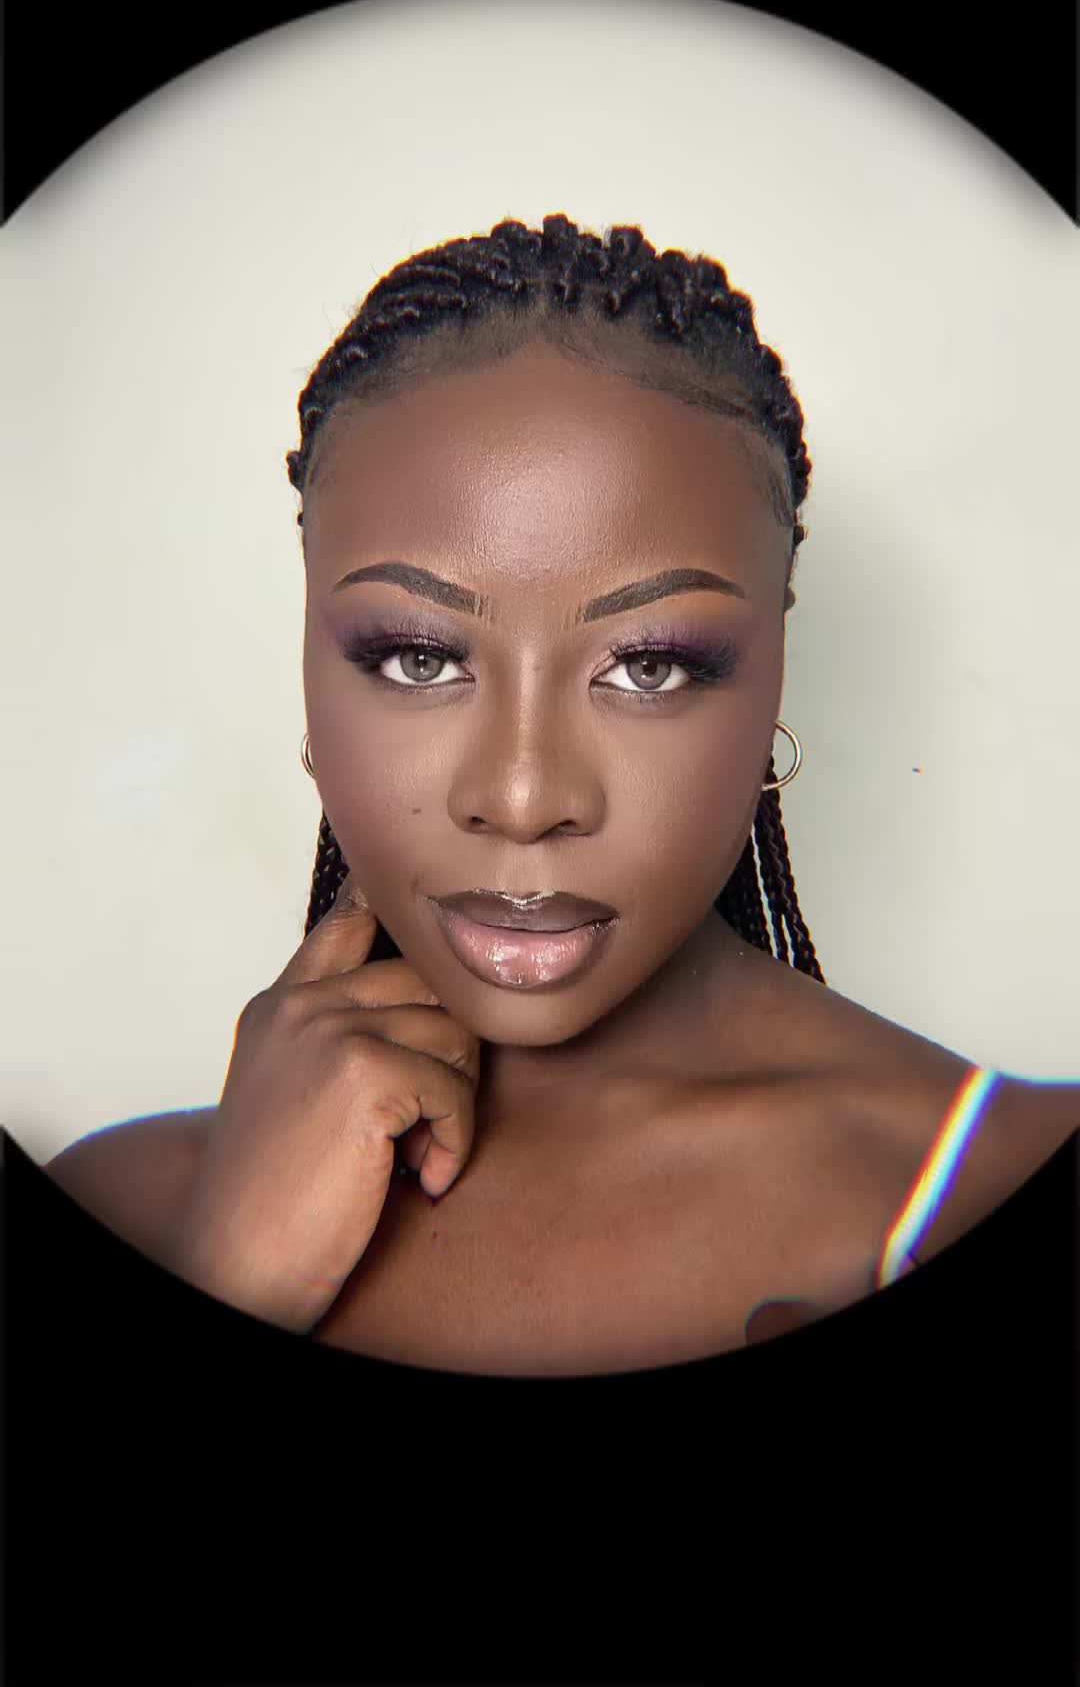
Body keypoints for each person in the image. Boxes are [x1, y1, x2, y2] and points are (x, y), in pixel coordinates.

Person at [44, 213, 1080, 1373]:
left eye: (651, 668)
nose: (525, 796)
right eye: (417, 659)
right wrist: (232, 1282)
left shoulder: (991, 1175)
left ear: (773, 666)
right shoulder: (130, 1202)